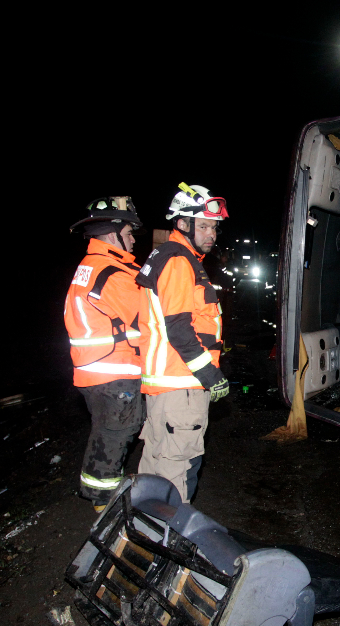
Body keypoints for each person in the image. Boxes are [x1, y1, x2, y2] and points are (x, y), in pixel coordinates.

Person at [135, 183, 230, 502]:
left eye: (214, 227)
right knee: (179, 471)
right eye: (203, 226)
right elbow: (179, 328)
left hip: (167, 387)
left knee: (155, 467)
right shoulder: (178, 261)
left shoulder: (169, 256)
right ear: (182, 224)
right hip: (182, 387)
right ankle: (169, 543)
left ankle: (143, 534)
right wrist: (211, 376)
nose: (211, 234)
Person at [65, 197, 145, 512]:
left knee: (109, 433)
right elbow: (145, 323)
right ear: (112, 234)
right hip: (113, 371)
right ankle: (103, 505)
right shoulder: (114, 273)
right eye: (129, 232)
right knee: (115, 436)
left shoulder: (92, 266)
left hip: (95, 370)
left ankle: (102, 494)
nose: (134, 238)